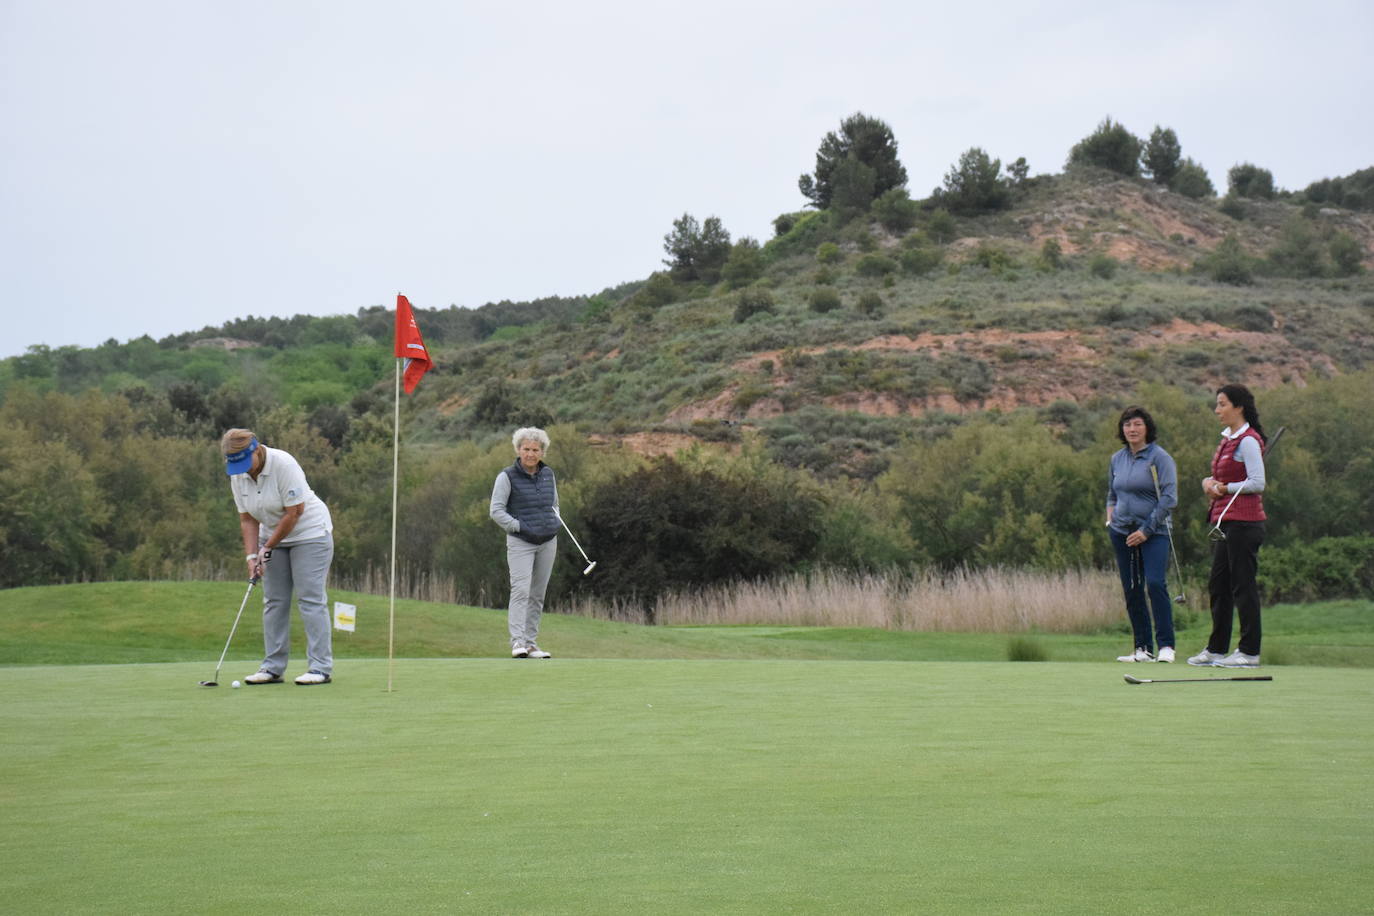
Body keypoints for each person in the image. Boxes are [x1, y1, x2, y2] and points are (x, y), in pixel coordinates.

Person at [221, 428, 335, 685]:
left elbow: (294, 513)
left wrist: (267, 546)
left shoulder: (284, 464)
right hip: (271, 537)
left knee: (310, 599)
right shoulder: (238, 476)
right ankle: (272, 667)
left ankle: (320, 668)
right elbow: (247, 518)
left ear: (256, 450)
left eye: (242, 462)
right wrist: (251, 556)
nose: (240, 470)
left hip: (310, 535)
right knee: (274, 601)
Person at [1189, 384, 1268, 668]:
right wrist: (1208, 483)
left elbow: (1258, 482)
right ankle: (1216, 649)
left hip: (1246, 523)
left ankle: (1249, 651)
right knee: (1219, 585)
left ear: (1238, 407)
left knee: (1242, 586)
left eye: (1222, 404)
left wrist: (1225, 487)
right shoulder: (1228, 439)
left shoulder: (1248, 440)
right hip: (1226, 522)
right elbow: (1218, 476)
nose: (1217, 409)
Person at [1105, 406, 1178, 663]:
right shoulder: (1117, 458)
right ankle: (1143, 649)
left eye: (1137, 424)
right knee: (1132, 589)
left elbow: (1169, 498)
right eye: (1127, 425)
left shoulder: (1159, 457)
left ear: (1147, 428)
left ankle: (1166, 646)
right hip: (1121, 532)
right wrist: (1109, 517)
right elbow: (1112, 493)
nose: (1132, 429)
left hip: (1154, 532)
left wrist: (1145, 530)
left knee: (1155, 583)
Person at [489, 427, 559, 659]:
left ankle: (530, 644)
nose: (530, 453)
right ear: (518, 450)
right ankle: (517, 642)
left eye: (535, 450)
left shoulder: (548, 475)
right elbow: (496, 511)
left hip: (548, 541)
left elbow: (554, 505)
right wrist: (518, 526)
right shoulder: (506, 477)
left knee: (537, 594)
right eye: (526, 449)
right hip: (521, 542)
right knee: (521, 590)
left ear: (542, 452)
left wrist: (553, 522)